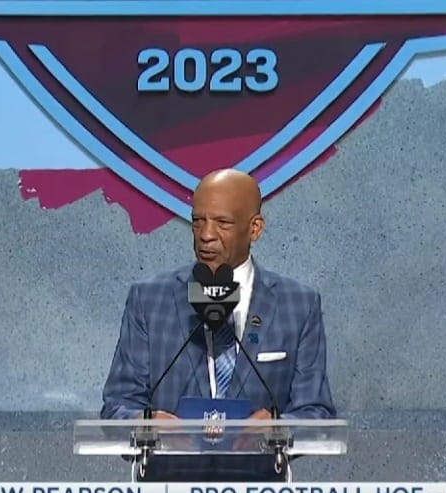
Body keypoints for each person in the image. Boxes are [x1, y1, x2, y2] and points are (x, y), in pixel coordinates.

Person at [101, 168, 336, 422]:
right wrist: (148, 424)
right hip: (170, 450)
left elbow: (316, 412)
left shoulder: (299, 305)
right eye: (198, 221)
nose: (206, 235)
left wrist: (275, 428)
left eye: (222, 223)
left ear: (255, 228)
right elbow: (117, 406)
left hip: (259, 451)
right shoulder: (149, 300)